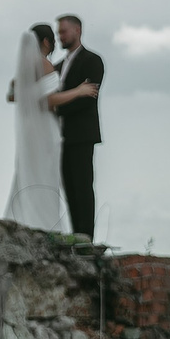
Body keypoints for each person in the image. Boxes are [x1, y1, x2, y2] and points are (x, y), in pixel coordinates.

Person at [2, 22, 66, 230]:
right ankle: (46, 220)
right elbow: (49, 100)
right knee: (46, 172)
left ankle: (23, 216)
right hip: (45, 127)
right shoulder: (45, 65)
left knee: (28, 170)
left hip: (30, 129)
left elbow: (11, 97)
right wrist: (79, 92)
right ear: (47, 42)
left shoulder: (22, 72)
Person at [45, 13, 103, 240]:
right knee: (69, 186)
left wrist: (57, 107)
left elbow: (88, 98)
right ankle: (76, 233)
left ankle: (86, 236)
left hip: (82, 134)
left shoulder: (92, 61)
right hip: (60, 136)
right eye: (58, 32)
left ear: (77, 31)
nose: (60, 36)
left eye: (63, 31)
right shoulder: (58, 66)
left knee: (83, 186)